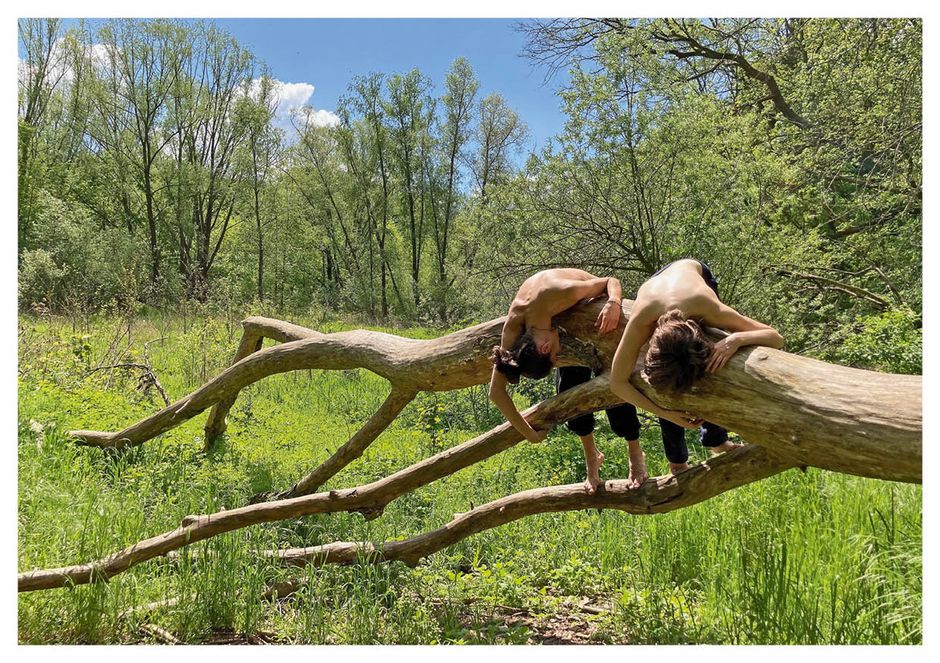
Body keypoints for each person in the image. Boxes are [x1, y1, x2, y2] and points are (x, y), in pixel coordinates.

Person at [609, 259, 784, 473]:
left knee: (713, 367)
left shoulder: (708, 307)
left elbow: (775, 337)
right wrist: (665, 412)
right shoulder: (642, 321)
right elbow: (617, 383)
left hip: (694, 272)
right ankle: (677, 461)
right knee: (668, 384)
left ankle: (716, 440)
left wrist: (735, 340)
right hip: (656, 285)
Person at [489, 268, 641, 493]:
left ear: (545, 347)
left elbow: (611, 281)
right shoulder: (515, 324)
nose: (559, 354)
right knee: (569, 392)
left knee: (615, 390)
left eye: (554, 356)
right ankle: (591, 455)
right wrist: (530, 435)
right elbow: (496, 393)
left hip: (600, 319)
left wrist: (614, 303)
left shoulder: (557, 292)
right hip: (566, 328)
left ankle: (635, 453)